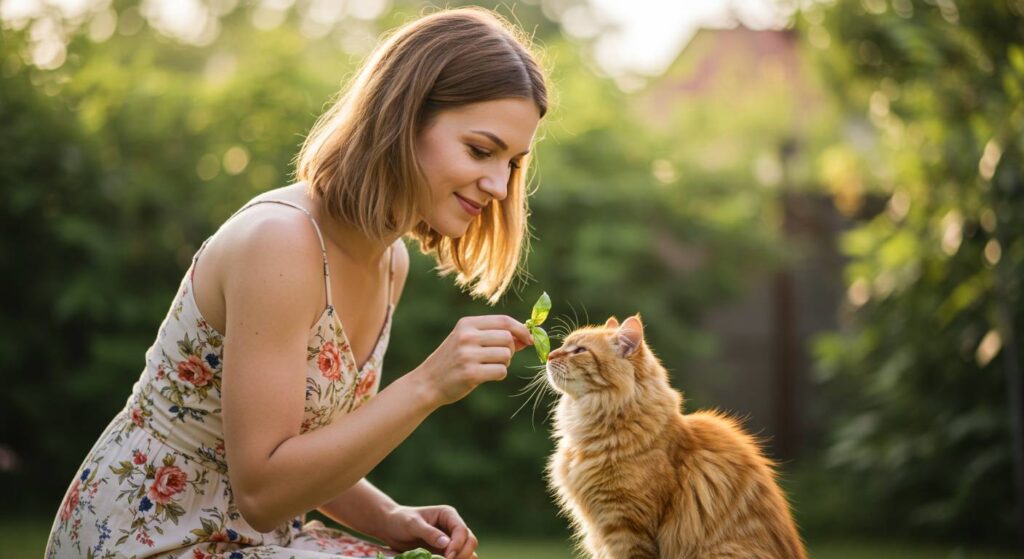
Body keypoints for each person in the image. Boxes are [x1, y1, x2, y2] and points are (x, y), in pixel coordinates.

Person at [45, 7, 548, 559]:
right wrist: (428, 384)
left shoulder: (389, 263)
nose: (499, 185)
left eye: (513, 164)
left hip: (255, 538)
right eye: (481, 150)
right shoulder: (280, 242)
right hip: (153, 536)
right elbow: (262, 489)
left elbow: (301, 452)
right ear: (405, 121)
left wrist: (389, 518)